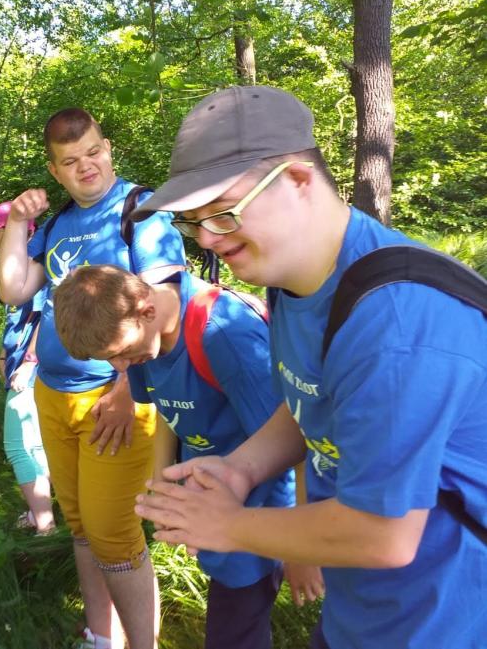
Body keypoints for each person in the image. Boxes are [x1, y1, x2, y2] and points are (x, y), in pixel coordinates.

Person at [130, 85, 487, 649]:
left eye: (222, 212)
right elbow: (312, 399)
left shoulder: (394, 328)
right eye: (192, 222)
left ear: (298, 179)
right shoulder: (294, 280)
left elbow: (384, 534)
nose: (206, 239)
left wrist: (229, 526)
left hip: (443, 620)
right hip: (365, 610)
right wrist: (241, 469)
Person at [54, 264, 324, 648]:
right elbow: (165, 408)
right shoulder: (143, 344)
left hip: (260, 511)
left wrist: (301, 546)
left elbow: (296, 437)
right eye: (110, 359)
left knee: (233, 632)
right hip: (211, 505)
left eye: (121, 353)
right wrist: (160, 484)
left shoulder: (224, 335)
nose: (120, 367)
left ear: (147, 310)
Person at [0, 108, 186, 649]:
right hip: (53, 395)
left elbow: (164, 309)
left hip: (115, 401)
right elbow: (13, 288)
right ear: (55, 171)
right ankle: (101, 638)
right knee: (81, 528)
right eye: (71, 161)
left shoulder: (140, 213)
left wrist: (130, 392)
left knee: (113, 534)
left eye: (94, 152)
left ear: (108, 148)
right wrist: (16, 223)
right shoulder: (57, 225)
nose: (87, 166)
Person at [0, 201, 55, 535]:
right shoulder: (17, 267)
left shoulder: (32, 265)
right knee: (33, 444)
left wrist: (29, 361)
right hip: (20, 365)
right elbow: (18, 323)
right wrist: (4, 355)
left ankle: (45, 524)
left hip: (31, 370)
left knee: (18, 445)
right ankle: (39, 514)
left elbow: (46, 316)